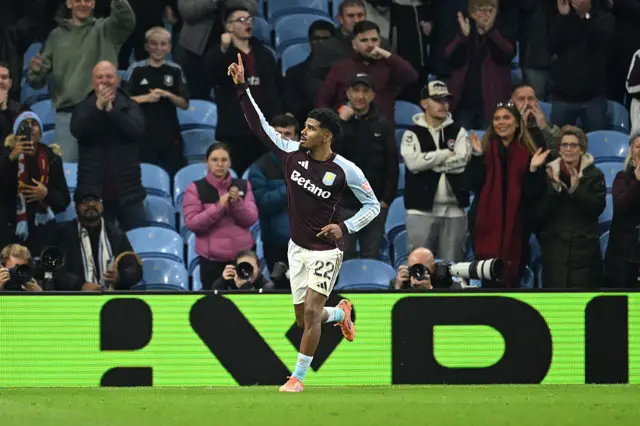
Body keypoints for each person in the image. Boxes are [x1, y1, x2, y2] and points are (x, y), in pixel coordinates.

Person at [229, 54, 380, 392]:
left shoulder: (347, 170)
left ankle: (297, 378)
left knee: (311, 313)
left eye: (311, 129)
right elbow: (259, 126)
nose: (303, 132)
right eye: (305, 127)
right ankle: (340, 314)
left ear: (326, 137)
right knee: (304, 318)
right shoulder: (290, 154)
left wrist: (346, 227)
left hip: (327, 250)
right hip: (297, 248)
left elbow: (372, 206)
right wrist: (241, 88)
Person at [27, 0, 136, 162]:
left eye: (88, 0)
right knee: (67, 176)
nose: (83, 4)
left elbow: (126, 20)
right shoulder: (56, 36)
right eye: (78, 0)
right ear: (69, 3)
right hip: (67, 116)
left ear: (93, 4)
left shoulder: (107, 29)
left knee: (103, 175)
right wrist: (35, 71)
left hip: (102, 113)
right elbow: (37, 81)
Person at [466, 102, 549, 288]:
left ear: (517, 123)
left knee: (512, 280)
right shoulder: (485, 150)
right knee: (488, 282)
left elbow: (534, 195)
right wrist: (477, 156)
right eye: (497, 118)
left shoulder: (529, 153)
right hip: (485, 228)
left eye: (506, 117)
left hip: (518, 229)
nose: (501, 122)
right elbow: (473, 185)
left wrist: (533, 170)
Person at [70, 61, 146, 231]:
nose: (104, 80)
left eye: (109, 76)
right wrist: (98, 108)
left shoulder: (130, 105)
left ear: (117, 79)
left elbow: (137, 129)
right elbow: (77, 130)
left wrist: (111, 111)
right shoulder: (83, 106)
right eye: (99, 76)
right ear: (92, 81)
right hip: (92, 195)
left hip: (129, 193)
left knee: (135, 245)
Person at [206, 7, 282, 175]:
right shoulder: (219, 52)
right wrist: (223, 50)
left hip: (263, 130)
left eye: (250, 20)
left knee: (263, 178)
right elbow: (213, 78)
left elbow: (276, 88)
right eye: (241, 20)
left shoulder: (263, 53)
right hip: (235, 131)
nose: (247, 23)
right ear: (229, 27)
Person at [400, 81, 471, 262]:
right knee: (419, 267)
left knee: (452, 268)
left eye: (446, 100)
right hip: (420, 210)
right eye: (437, 100)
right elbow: (414, 164)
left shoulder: (459, 131)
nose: (443, 105)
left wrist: (431, 164)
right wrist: (446, 154)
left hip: (455, 210)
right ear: (424, 103)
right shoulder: (411, 133)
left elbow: (462, 162)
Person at [334, 74, 398, 260]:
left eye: (365, 91)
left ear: (372, 95)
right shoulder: (335, 123)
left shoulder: (383, 124)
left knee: (372, 255)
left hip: (374, 205)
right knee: (343, 258)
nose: (360, 96)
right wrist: (342, 123)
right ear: (348, 93)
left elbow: (392, 164)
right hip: (345, 205)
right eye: (356, 90)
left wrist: (386, 199)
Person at [182, 143, 259, 290]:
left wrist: (237, 204)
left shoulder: (243, 185)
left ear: (230, 162)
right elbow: (192, 223)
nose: (219, 164)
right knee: (214, 307)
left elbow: (251, 219)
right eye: (214, 160)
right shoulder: (196, 188)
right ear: (207, 162)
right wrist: (219, 207)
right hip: (212, 262)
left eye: (224, 160)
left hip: (242, 259)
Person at [537, 125, 605, 288]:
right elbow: (540, 212)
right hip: (555, 251)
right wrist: (554, 188)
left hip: (584, 253)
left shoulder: (594, 175)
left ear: (581, 149)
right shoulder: (548, 174)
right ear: (559, 149)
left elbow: (597, 208)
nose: (568, 149)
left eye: (573, 145)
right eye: (564, 145)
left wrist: (577, 190)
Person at [316, 20, 418, 126]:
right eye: (364, 40)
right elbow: (321, 101)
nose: (370, 45)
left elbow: (412, 76)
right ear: (354, 44)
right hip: (348, 131)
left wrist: (386, 54)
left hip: (382, 132)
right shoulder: (340, 68)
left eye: (374, 40)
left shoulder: (388, 66)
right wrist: (337, 121)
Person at [0, 111, 70, 256]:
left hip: (42, 229)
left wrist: (46, 194)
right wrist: (11, 157)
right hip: (10, 228)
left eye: (34, 124)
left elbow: (64, 200)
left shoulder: (52, 158)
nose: (30, 128)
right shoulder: (5, 155)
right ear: (16, 132)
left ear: (41, 130)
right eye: (25, 125)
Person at [124, 26, 189, 178]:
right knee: (144, 178)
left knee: (174, 177)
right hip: (143, 135)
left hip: (170, 135)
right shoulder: (135, 69)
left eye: (163, 44)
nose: (158, 48)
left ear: (169, 47)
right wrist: (146, 98)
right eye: (153, 44)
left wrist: (168, 95)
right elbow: (122, 101)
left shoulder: (176, 70)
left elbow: (185, 103)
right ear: (146, 46)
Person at [444, 0, 515, 131]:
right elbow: (450, 58)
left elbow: (506, 55)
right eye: (481, 10)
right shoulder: (462, 28)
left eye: (490, 10)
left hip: (492, 104)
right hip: (464, 104)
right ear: (472, 13)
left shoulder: (503, 29)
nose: (486, 14)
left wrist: (491, 32)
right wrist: (463, 37)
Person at [548, 0, 613, 133]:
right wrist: (562, 16)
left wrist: (586, 17)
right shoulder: (562, 18)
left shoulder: (605, 17)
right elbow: (551, 46)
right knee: (556, 143)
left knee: (596, 143)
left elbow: (603, 40)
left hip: (593, 97)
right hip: (563, 95)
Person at [52, 188, 135, 292]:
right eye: (85, 201)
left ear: (102, 205)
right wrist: (80, 285)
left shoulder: (116, 234)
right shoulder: (62, 233)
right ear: (76, 207)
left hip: (110, 298)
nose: (91, 204)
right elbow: (54, 270)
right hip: (75, 299)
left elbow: (135, 269)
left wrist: (120, 277)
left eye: (96, 200)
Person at [178, 0, 258, 99]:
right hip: (196, 52)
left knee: (234, 99)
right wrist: (213, 1)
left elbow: (251, 7)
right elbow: (186, 11)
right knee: (196, 98)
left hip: (233, 51)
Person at [248, 115, 298, 275]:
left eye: (288, 134)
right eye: (278, 133)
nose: (282, 138)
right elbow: (262, 202)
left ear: (296, 137)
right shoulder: (259, 167)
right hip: (276, 244)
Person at [283, 20, 336, 126]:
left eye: (326, 39)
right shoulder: (294, 74)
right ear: (310, 41)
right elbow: (292, 108)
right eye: (317, 39)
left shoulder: (343, 71)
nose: (321, 43)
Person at [604, 134, 640, 288]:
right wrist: (638, 182)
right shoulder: (622, 178)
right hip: (622, 257)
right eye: (638, 147)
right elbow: (620, 205)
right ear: (631, 151)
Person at [510, 83, 560, 153]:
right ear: (512, 103)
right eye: (521, 99)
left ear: (536, 102)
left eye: (530, 99)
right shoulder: (504, 127)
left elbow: (557, 153)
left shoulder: (550, 127)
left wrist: (544, 127)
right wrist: (521, 127)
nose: (526, 103)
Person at [388, 247, 459, 290]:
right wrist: (397, 288)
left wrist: (430, 290)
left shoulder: (445, 281)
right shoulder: (402, 281)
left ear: (434, 267)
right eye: (414, 267)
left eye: (422, 268)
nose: (418, 272)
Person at [0, 62, 29, 142]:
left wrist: (4, 109)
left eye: (4, 77)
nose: (0, 81)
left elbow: (26, 139)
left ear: (10, 83)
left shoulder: (22, 110)